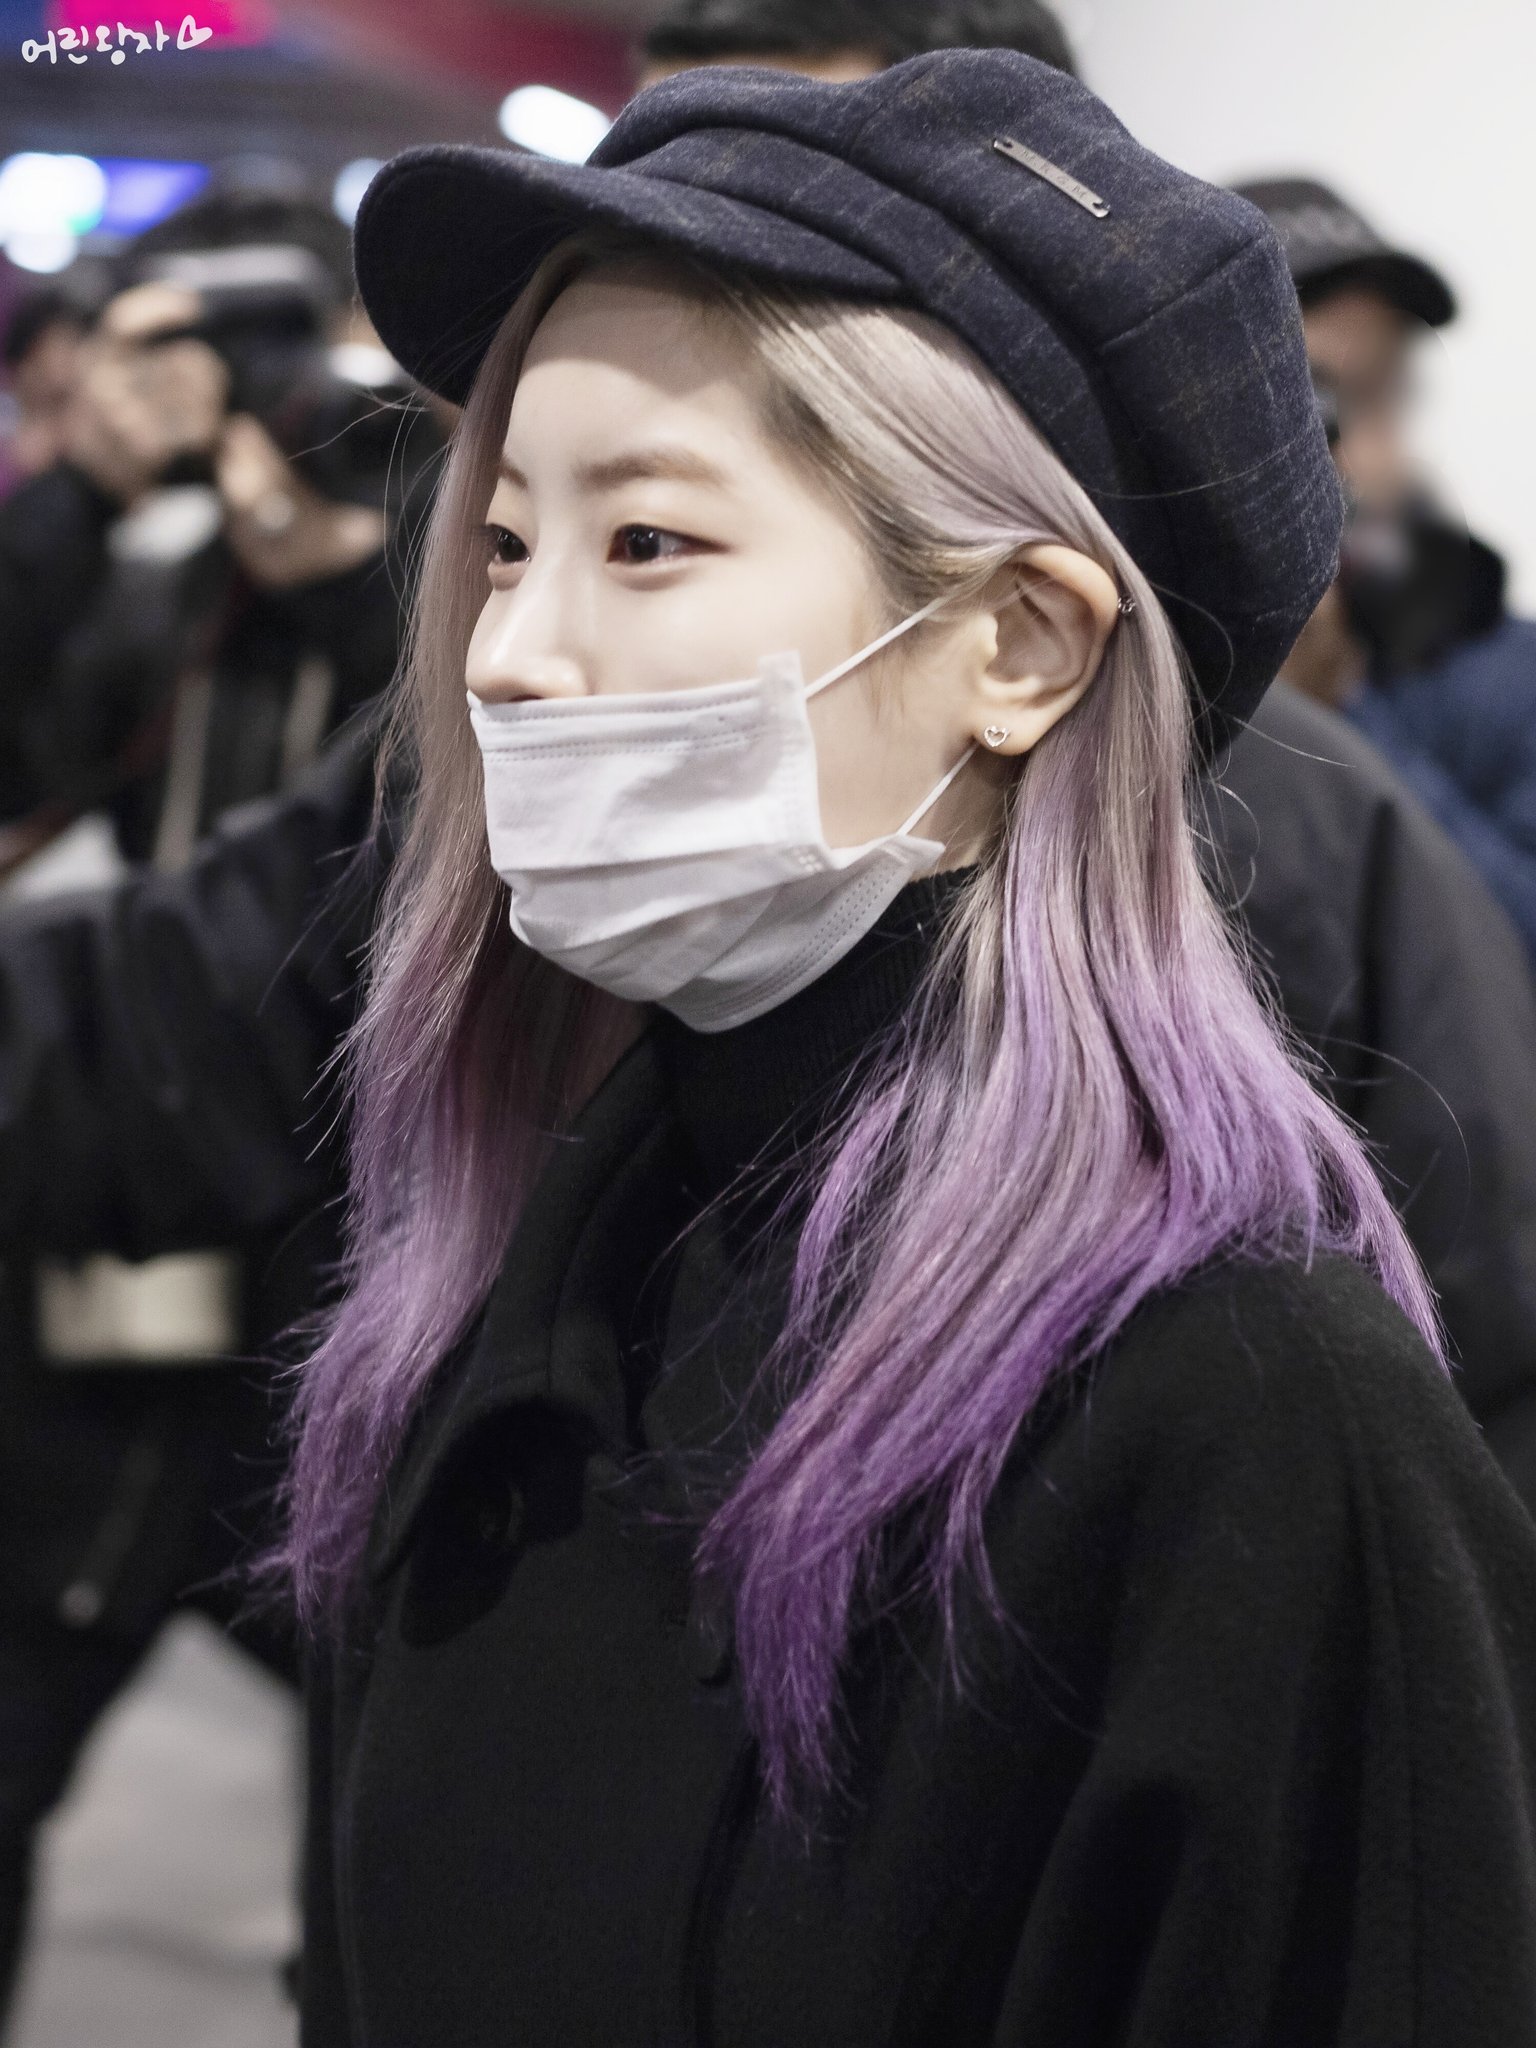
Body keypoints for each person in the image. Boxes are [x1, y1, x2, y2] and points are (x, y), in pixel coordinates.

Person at [283, 50, 1536, 2045]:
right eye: (507, 540)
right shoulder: (517, 1280)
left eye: (647, 542)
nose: (508, 650)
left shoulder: (1245, 1435)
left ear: (1021, 642)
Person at [1235, 175, 1536, 963]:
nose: (1368, 454)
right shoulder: (1115, 638)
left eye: (1386, 395)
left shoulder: (1502, 668)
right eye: (1315, 400)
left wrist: (1335, 711)